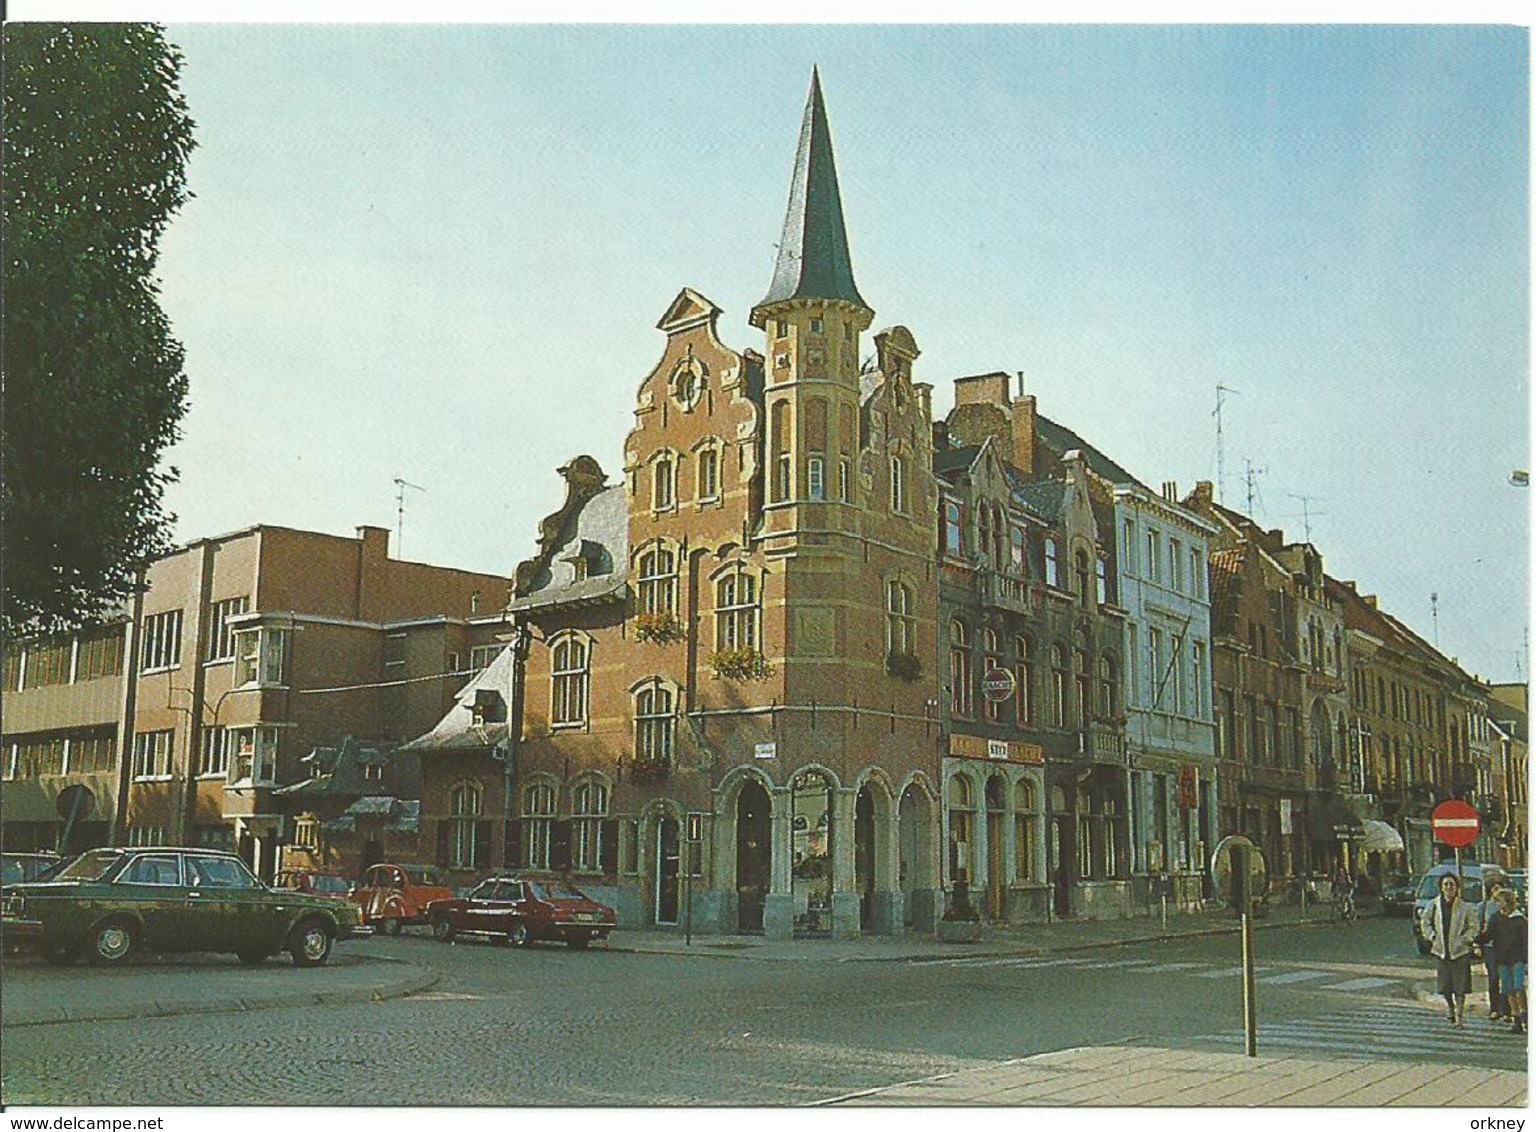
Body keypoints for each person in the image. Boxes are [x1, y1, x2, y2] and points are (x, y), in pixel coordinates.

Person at [1420, 872, 1481, 1029]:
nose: (1449, 887)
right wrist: (1431, 936)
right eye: (1446, 884)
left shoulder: (1465, 907)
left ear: (1457, 887)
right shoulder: (1434, 905)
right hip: (1441, 951)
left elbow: (1474, 926)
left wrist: (1465, 939)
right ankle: (1451, 1008)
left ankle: (1460, 1017)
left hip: (1460, 952)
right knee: (1445, 987)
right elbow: (1425, 922)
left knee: (1460, 987)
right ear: (1441, 887)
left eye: (1452, 884)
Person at [1483, 887, 1528, 1036]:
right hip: (1502, 958)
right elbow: (1489, 934)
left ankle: (1525, 1015)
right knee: (1507, 989)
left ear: (1508, 901)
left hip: (1518, 958)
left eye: (1499, 900)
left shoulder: (1519, 920)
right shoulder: (1496, 918)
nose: (1497, 903)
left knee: (1518, 987)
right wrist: (1474, 941)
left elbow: (1526, 940)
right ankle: (1516, 1019)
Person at [1479, 878, 1509, 1021]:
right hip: (1490, 947)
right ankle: (1495, 1009)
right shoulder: (1484, 906)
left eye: (1500, 888)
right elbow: (1479, 928)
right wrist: (1477, 945)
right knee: (1493, 978)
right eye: (1494, 888)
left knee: (1506, 978)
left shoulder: (1509, 907)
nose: (1497, 891)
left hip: (1506, 947)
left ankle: (1507, 1010)